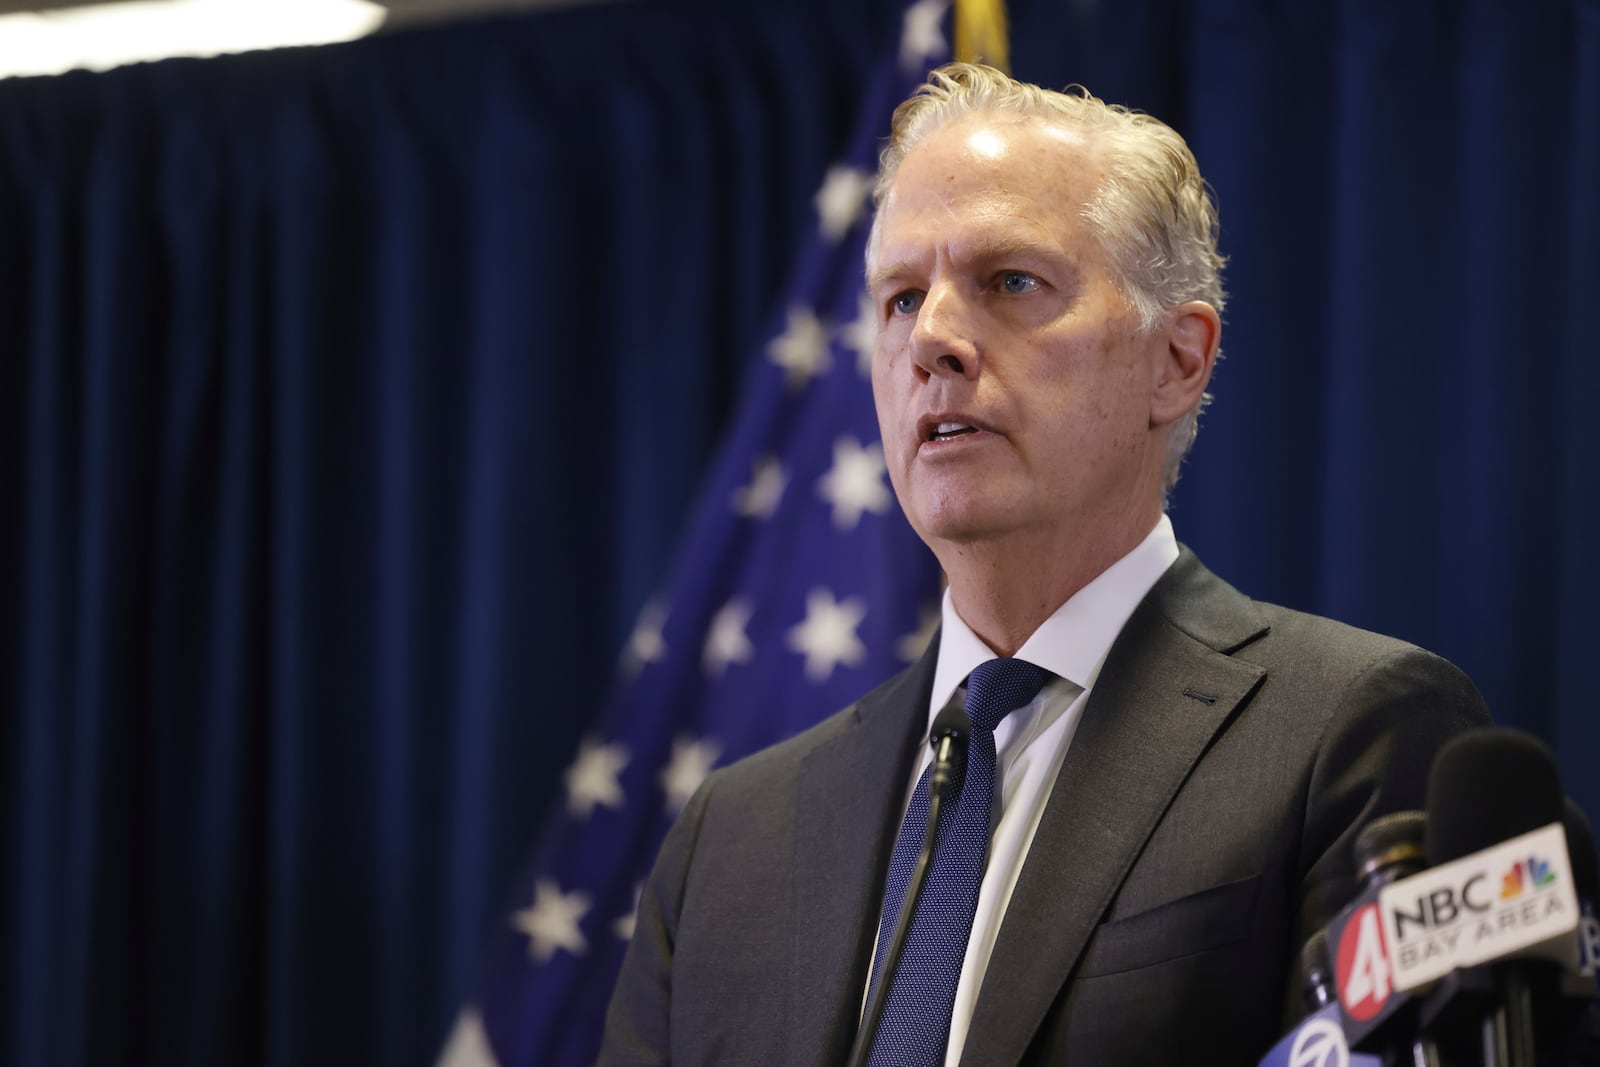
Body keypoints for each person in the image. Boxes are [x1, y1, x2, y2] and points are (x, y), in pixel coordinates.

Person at [599, 63, 1490, 1065]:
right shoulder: (731, 842)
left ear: (1176, 360)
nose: (932, 336)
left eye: (1009, 282)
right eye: (899, 298)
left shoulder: (1352, 735)